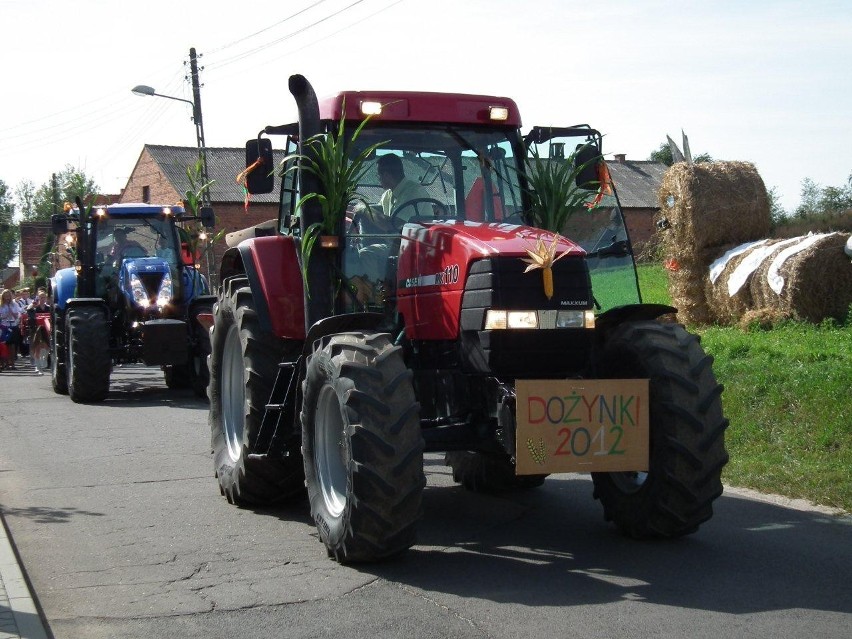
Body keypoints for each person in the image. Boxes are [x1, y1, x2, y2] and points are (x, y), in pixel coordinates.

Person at [376, 154, 431, 222]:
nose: (378, 179)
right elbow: (376, 210)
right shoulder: (387, 195)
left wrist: (364, 210)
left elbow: (395, 225)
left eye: (378, 175)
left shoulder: (414, 192)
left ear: (387, 175)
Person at [0, 288, 22, 369]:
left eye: (8, 296)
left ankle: (12, 363)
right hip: (4, 325)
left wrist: (12, 313)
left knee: (12, 345)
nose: (7, 297)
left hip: (12, 325)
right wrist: (5, 316)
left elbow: (18, 314)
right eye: (5, 296)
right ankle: (4, 363)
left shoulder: (14, 304)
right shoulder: (1, 305)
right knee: (3, 345)